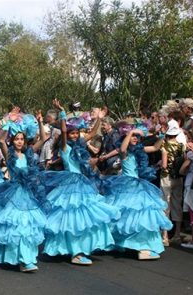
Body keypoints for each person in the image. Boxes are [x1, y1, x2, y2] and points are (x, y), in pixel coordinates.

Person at [41, 100, 118, 265]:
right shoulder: (65, 148)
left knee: (85, 217)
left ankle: (78, 248)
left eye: (77, 133)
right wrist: (62, 112)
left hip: (83, 183)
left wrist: (99, 118)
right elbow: (62, 130)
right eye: (72, 133)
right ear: (67, 135)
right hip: (70, 185)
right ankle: (75, 253)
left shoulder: (81, 144)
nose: (75, 136)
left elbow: (91, 134)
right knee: (72, 218)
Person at [0, 109, 47, 272]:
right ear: (13, 140)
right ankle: (21, 259)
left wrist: (40, 122)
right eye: (17, 139)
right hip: (13, 194)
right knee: (16, 226)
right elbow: (0, 140)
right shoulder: (9, 153)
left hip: (28, 193)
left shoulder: (29, 153)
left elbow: (44, 138)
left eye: (22, 139)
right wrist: (7, 123)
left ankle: (26, 258)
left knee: (27, 227)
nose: (19, 142)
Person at [101, 127, 172, 260]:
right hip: (127, 185)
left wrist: (162, 135)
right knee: (127, 214)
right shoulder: (124, 152)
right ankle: (137, 247)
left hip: (138, 184)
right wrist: (130, 132)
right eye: (133, 136)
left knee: (139, 215)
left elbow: (156, 148)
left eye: (137, 137)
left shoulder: (139, 150)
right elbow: (122, 149)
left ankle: (140, 246)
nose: (135, 138)